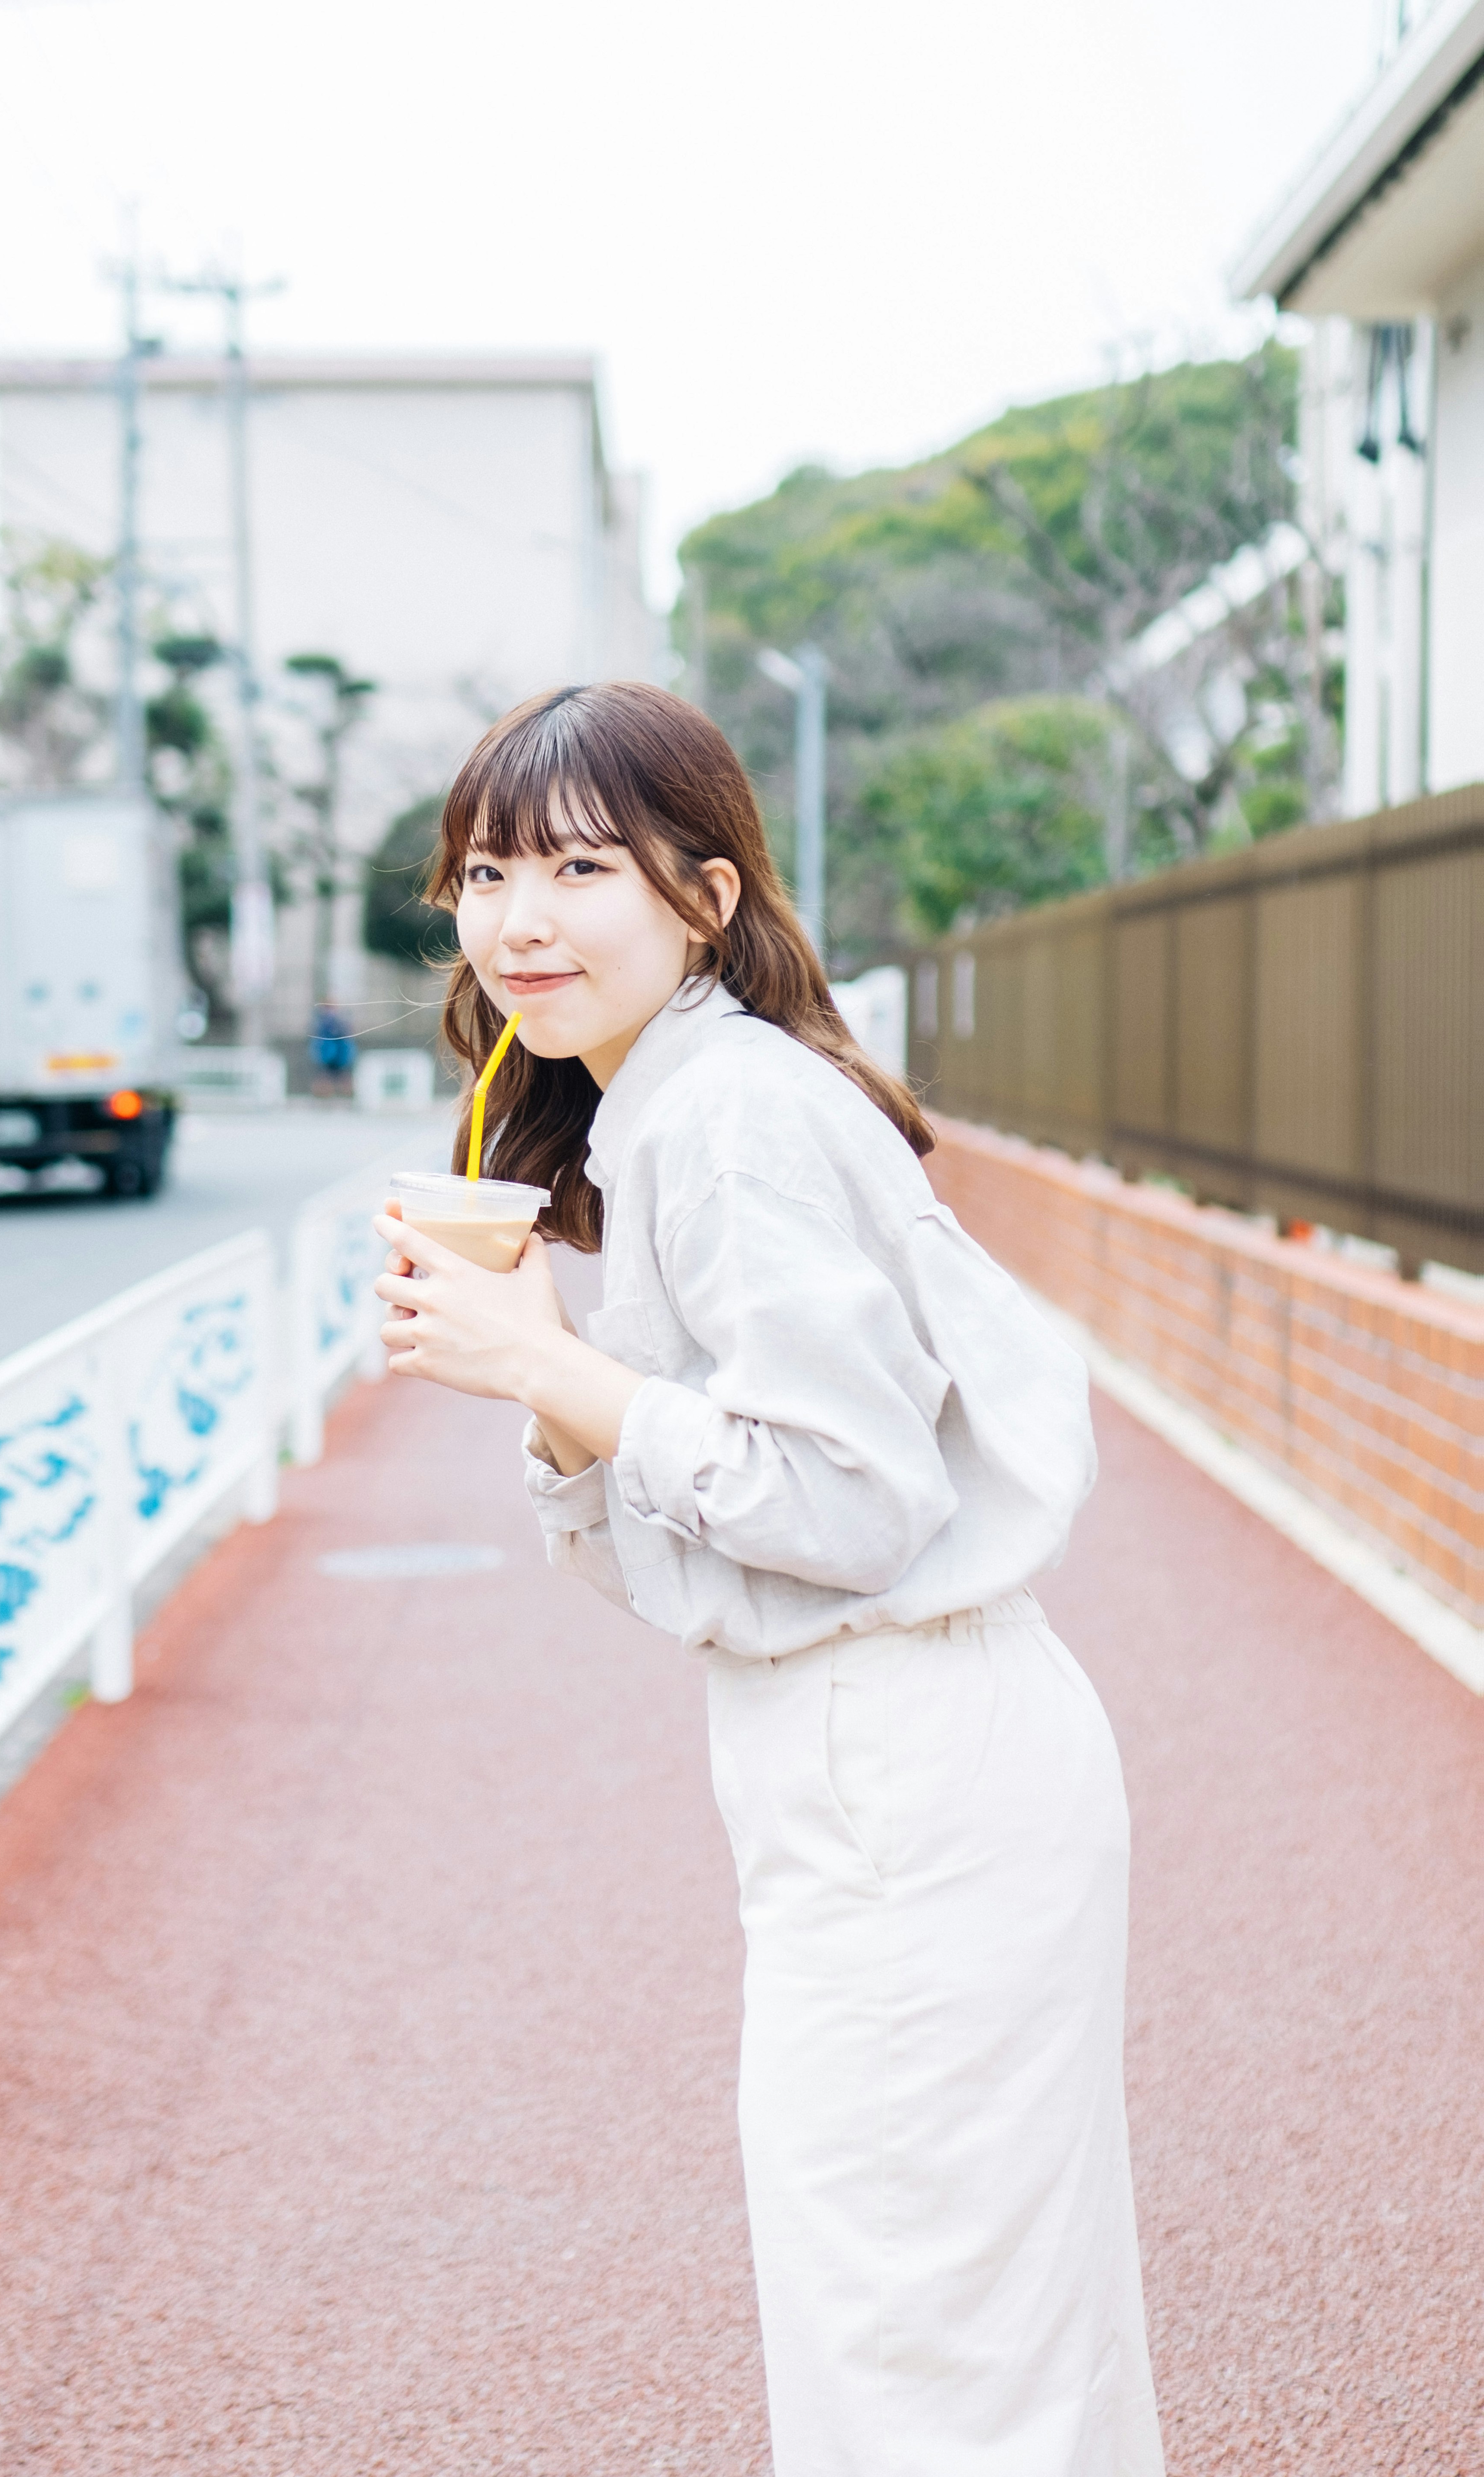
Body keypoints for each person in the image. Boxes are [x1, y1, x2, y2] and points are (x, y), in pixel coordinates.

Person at [374, 681, 1165, 2477]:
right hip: (896, 1757)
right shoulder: (676, 1103)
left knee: (918, 2341)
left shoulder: (727, 1112)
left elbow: (849, 1499)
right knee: (966, 2321)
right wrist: (559, 1381)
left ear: (705, 897)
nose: (520, 918)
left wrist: (551, 1372)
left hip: (905, 1759)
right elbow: (713, 1518)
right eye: (489, 870)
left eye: (582, 865)